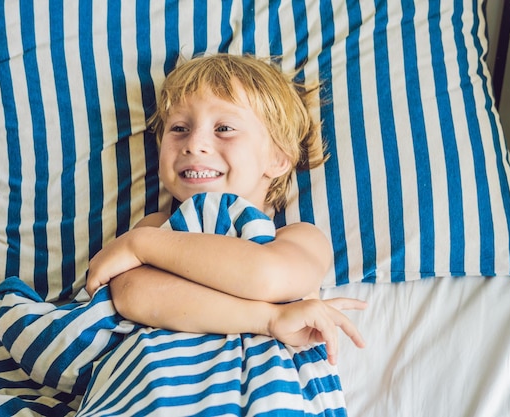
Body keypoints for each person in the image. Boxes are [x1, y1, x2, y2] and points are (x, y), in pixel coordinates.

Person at [85, 54, 366, 364]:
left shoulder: (297, 238)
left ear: (277, 159)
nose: (194, 143)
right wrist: (271, 319)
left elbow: (265, 276)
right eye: (179, 128)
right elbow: (132, 294)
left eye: (224, 128)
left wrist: (140, 245)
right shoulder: (159, 226)